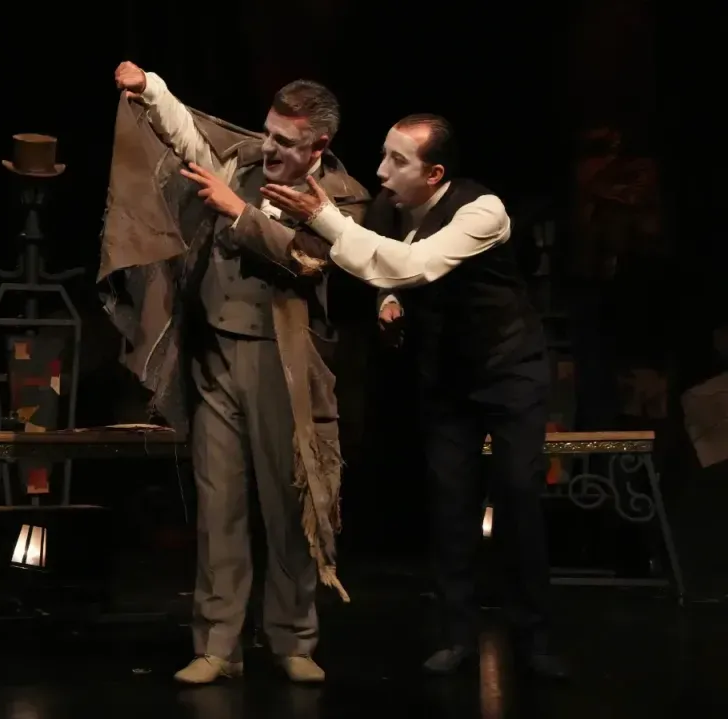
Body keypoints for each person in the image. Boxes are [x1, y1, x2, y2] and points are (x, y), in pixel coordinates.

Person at [259, 114, 570, 678]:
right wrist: (386, 301)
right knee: (450, 505)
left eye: (397, 161)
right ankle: (456, 635)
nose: (381, 172)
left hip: (508, 370)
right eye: (383, 154)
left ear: (435, 175)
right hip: (447, 375)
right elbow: (383, 268)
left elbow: (414, 264)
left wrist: (324, 217)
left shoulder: (482, 210)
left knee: (518, 497)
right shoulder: (390, 208)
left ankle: (536, 639)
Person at [108, 62, 370, 684]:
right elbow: (187, 134)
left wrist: (237, 213)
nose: (269, 147)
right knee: (218, 504)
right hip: (215, 357)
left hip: (282, 363)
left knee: (288, 504)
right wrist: (150, 88)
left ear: (318, 145)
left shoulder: (343, 195)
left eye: (286, 141)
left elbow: (309, 257)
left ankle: (293, 639)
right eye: (269, 131)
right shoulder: (243, 162)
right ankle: (217, 645)